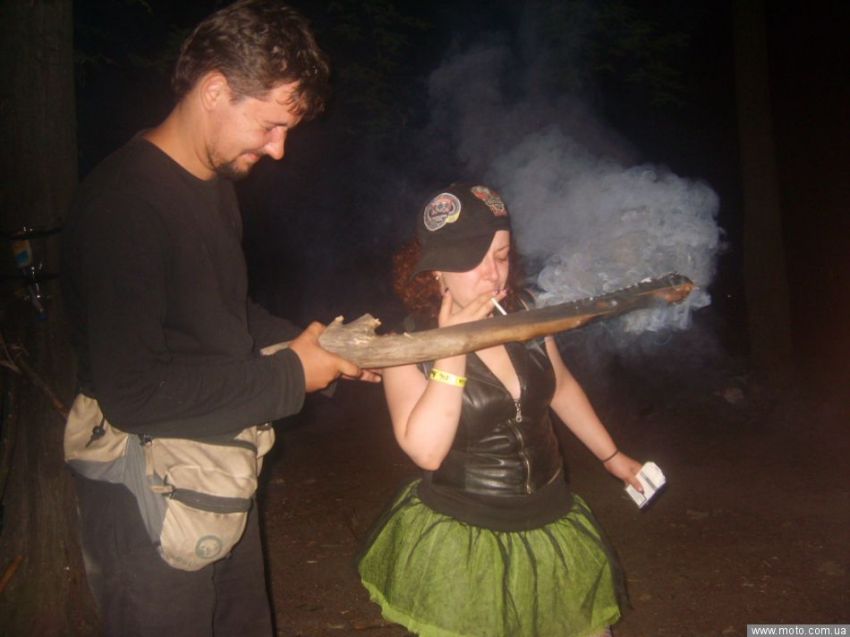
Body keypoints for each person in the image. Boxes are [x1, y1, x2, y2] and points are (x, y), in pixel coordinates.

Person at [62, 1, 376, 635]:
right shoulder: (123, 205)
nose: (278, 149)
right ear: (214, 91)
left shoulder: (213, 185)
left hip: (215, 466)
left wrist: (323, 348)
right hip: (146, 497)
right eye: (270, 125)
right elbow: (134, 392)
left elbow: (227, 315)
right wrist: (293, 374)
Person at [357, 183, 644, 637]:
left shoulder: (525, 314)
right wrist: (453, 347)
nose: (494, 274)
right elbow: (427, 451)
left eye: (503, 255)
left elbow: (561, 387)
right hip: (467, 539)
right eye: (476, 259)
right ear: (437, 270)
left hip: (551, 520)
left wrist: (611, 456)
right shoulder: (406, 346)